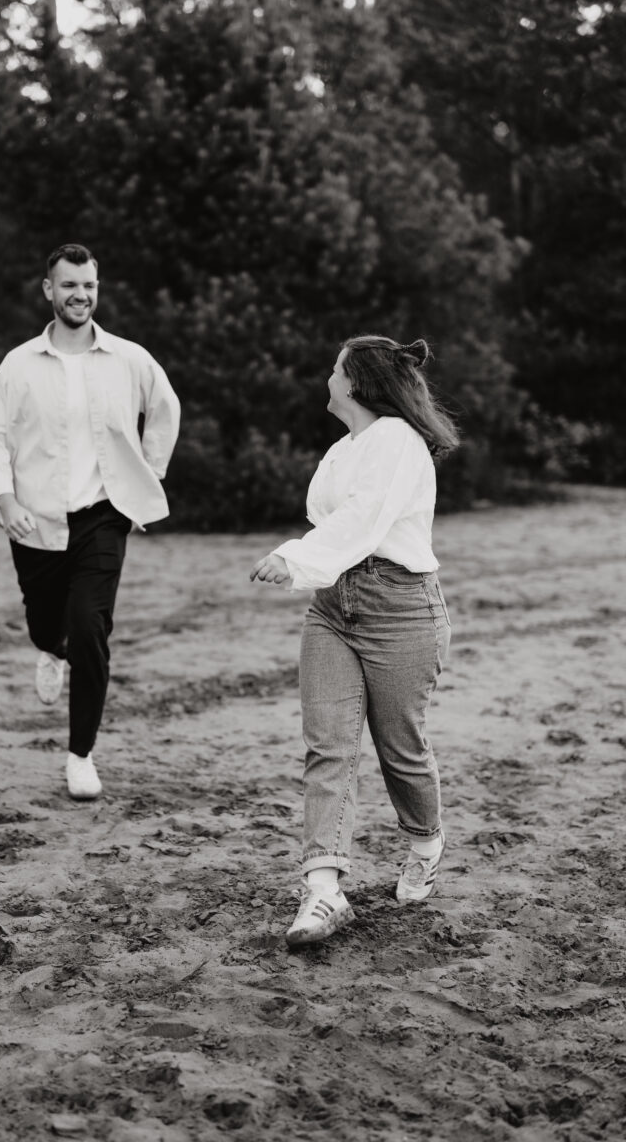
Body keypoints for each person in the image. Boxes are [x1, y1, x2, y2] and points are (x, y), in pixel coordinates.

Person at [250, 334, 458, 947]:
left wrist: (295, 558)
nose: (327, 377)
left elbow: (362, 523)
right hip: (333, 608)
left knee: (401, 749)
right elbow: (334, 521)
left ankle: (425, 842)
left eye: (335, 368)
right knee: (329, 748)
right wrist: (311, 566)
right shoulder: (345, 448)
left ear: (358, 381)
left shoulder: (396, 441)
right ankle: (323, 892)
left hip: (401, 609)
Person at [0, 243, 180, 800]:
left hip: (103, 516)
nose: (80, 295)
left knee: (90, 627)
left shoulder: (130, 359)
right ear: (49, 290)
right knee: (46, 622)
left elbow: (164, 411)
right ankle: (49, 648)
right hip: (35, 518)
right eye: (68, 285)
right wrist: (4, 497)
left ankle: (81, 754)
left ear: (97, 288)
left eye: (88, 285)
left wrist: (146, 481)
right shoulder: (19, 365)